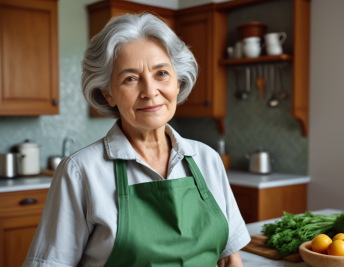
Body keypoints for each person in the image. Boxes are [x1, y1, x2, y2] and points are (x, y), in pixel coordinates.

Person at [23, 13, 250, 267]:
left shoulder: (207, 159)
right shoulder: (80, 172)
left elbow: (230, 259)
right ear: (108, 94)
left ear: (178, 82)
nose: (150, 92)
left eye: (161, 73)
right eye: (130, 79)